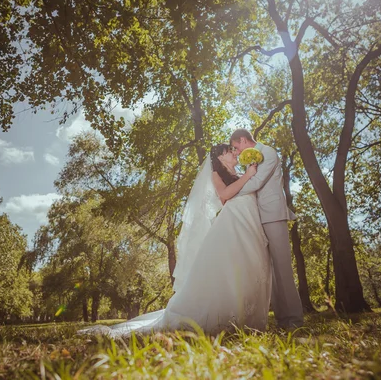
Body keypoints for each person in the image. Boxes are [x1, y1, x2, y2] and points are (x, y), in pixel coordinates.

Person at [78, 144, 271, 337]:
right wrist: (248, 175)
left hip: (245, 220)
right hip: (232, 221)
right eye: (230, 151)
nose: (235, 153)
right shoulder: (215, 175)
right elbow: (225, 195)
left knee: (243, 265)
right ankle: (226, 317)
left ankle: (245, 317)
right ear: (220, 158)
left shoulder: (237, 173)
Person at [230, 128, 304, 329]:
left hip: (273, 214)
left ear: (244, 140)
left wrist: (231, 193)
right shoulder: (249, 160)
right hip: (257, 217)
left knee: (283, 268)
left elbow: (256, 182)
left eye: (236, 147)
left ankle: (295, 320)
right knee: (270, 271)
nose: (236, 152)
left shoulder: (268, 153)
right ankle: (283, 319)